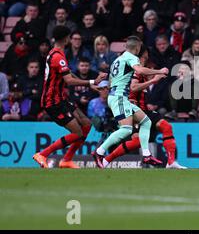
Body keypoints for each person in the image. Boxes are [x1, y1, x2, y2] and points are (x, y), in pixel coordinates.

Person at [32, 26, 107, 169]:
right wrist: (92, 81)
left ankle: (66, 160)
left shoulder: (57, 53)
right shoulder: (57, 56)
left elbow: (69, 73)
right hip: (52, 101)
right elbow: (69, 81)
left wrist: (89, 86)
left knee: (86, 124)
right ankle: (43, 154)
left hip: (61, 99)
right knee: (77, 133)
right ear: (66, 38)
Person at [100, 48, 187, 169]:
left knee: (162, 129)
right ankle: (105, 158)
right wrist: (154, 80)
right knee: (140, 139)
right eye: (145, 57)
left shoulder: (131, 70)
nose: (145, 60)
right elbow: (134, 87)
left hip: (141, 109)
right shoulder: (135, 71)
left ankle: (171, 162)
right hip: (133, 110)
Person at [92, 36, 169, 168]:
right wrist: (159, 71)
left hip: (119, 97)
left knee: (146, 122)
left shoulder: (118, 59)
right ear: (138, 47)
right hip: (119, 97)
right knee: (126, 129)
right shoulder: (132, 57)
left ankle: (146, 155)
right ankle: (99, 151)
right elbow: (139, 70)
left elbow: (111, 81)